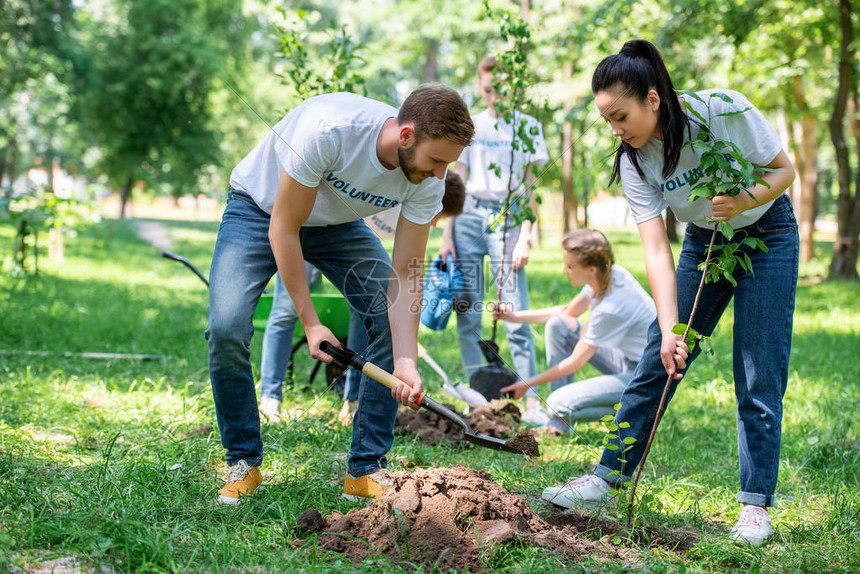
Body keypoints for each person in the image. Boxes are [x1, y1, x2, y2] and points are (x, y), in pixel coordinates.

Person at [541, 40, 798, 548]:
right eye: (607, 121)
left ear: (653, 100)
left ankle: (754, 506)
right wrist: (668, 328)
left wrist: (742, 199)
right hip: (704, 245)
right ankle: (606, 477)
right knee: (658, 362)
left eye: (621, 116)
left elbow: (783, 171)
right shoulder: (636, 162)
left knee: (757, 370)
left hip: (767, 236)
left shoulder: (722, 111)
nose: (616, 130)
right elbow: (656, 249)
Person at [206, 85, 474, 504]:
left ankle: (366, 469)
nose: (441, 174)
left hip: (335, 224)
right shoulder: (330, 130)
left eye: (448, 164)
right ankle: (244, 461)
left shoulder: (428, 180)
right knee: (226, 329)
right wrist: (311, 323)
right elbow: (284, 228)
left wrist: (406, 358)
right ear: (405, 137)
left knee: (386, 316)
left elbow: (405, 274)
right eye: (436, 161)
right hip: (260, 210)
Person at [258, 172, 467, 424]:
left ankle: (353, 400)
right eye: (439, 216)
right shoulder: (396, 192)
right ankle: (270, 397)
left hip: (345, 243)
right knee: (286, 308)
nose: (434, 224)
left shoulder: (414, 212)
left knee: (363, 310)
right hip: (306, 225)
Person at [440, 56, 549, 423]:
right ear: (481, 86)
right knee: (467, 306)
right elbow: (456, 179)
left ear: (514, 86)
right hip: (469, 213)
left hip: (511, 214)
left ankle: (529, 396)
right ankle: (477, 397)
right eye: (487, 89)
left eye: (501, 88)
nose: (493, 96)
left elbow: (532, 185)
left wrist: (526, 236)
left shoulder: (528, 127)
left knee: (513, 308)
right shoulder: (472, 125)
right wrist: (447, 235)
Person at [496, 229, 656, 434]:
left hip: (646, 377)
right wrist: (514, 316)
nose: (565, 270)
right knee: (558, 325)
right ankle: (559, 423)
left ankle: (644, 411)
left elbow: (575, 363)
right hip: (626, 360)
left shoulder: (611, 308)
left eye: (570, 266)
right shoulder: (610, 274)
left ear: (591, 269)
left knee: (556, 401)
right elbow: (567, 312)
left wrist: (528, 384)